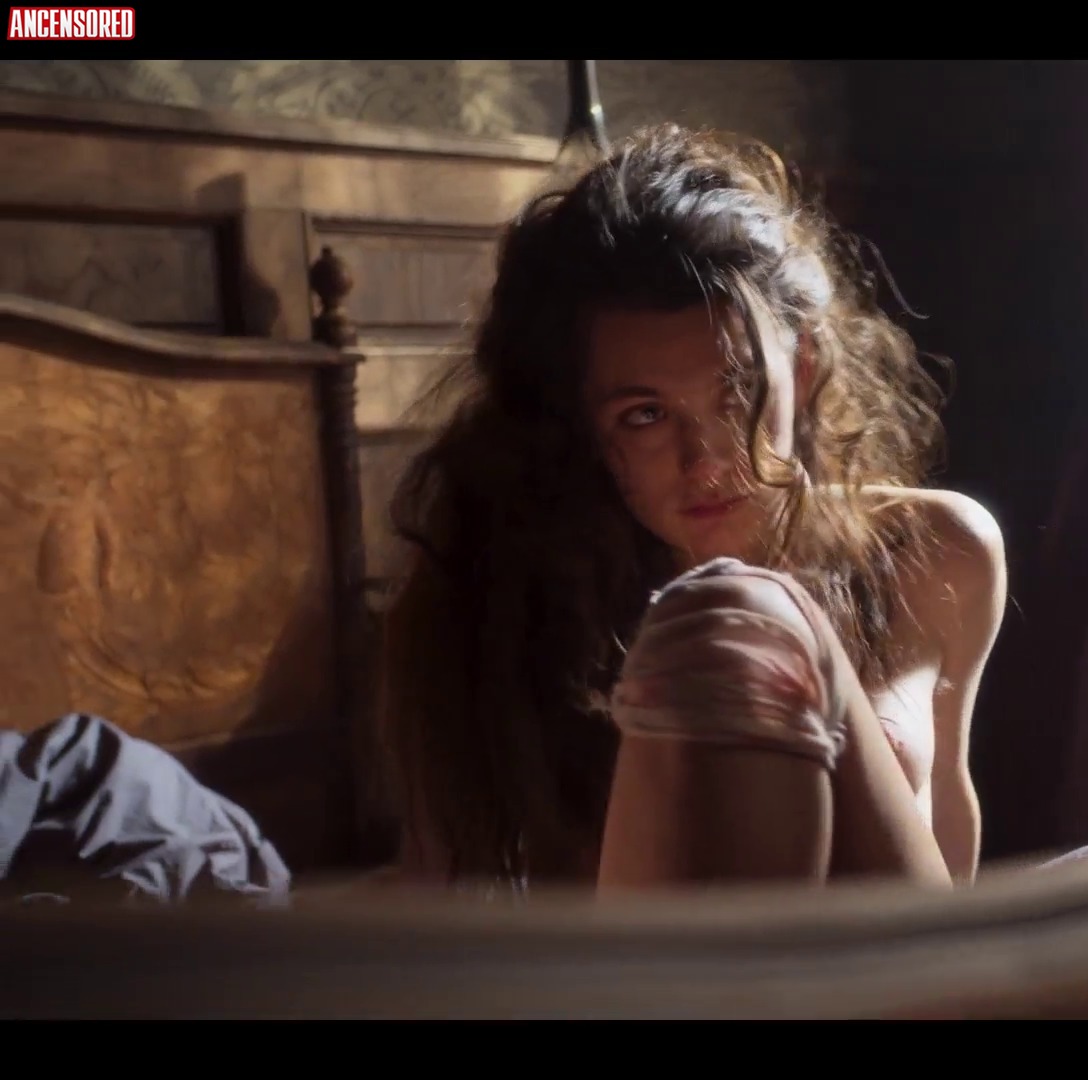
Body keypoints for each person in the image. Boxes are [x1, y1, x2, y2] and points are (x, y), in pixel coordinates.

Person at [376, 124, 1007, 897]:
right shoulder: (482, 606)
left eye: (738, 391)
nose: (706, 460)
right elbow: (449, 899)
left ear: (803, 369)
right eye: (644, 415)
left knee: (747, 620)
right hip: (650, 968)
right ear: (576, 429)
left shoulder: (935, 550)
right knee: (734, 624)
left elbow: (946, 831)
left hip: (893, 962)